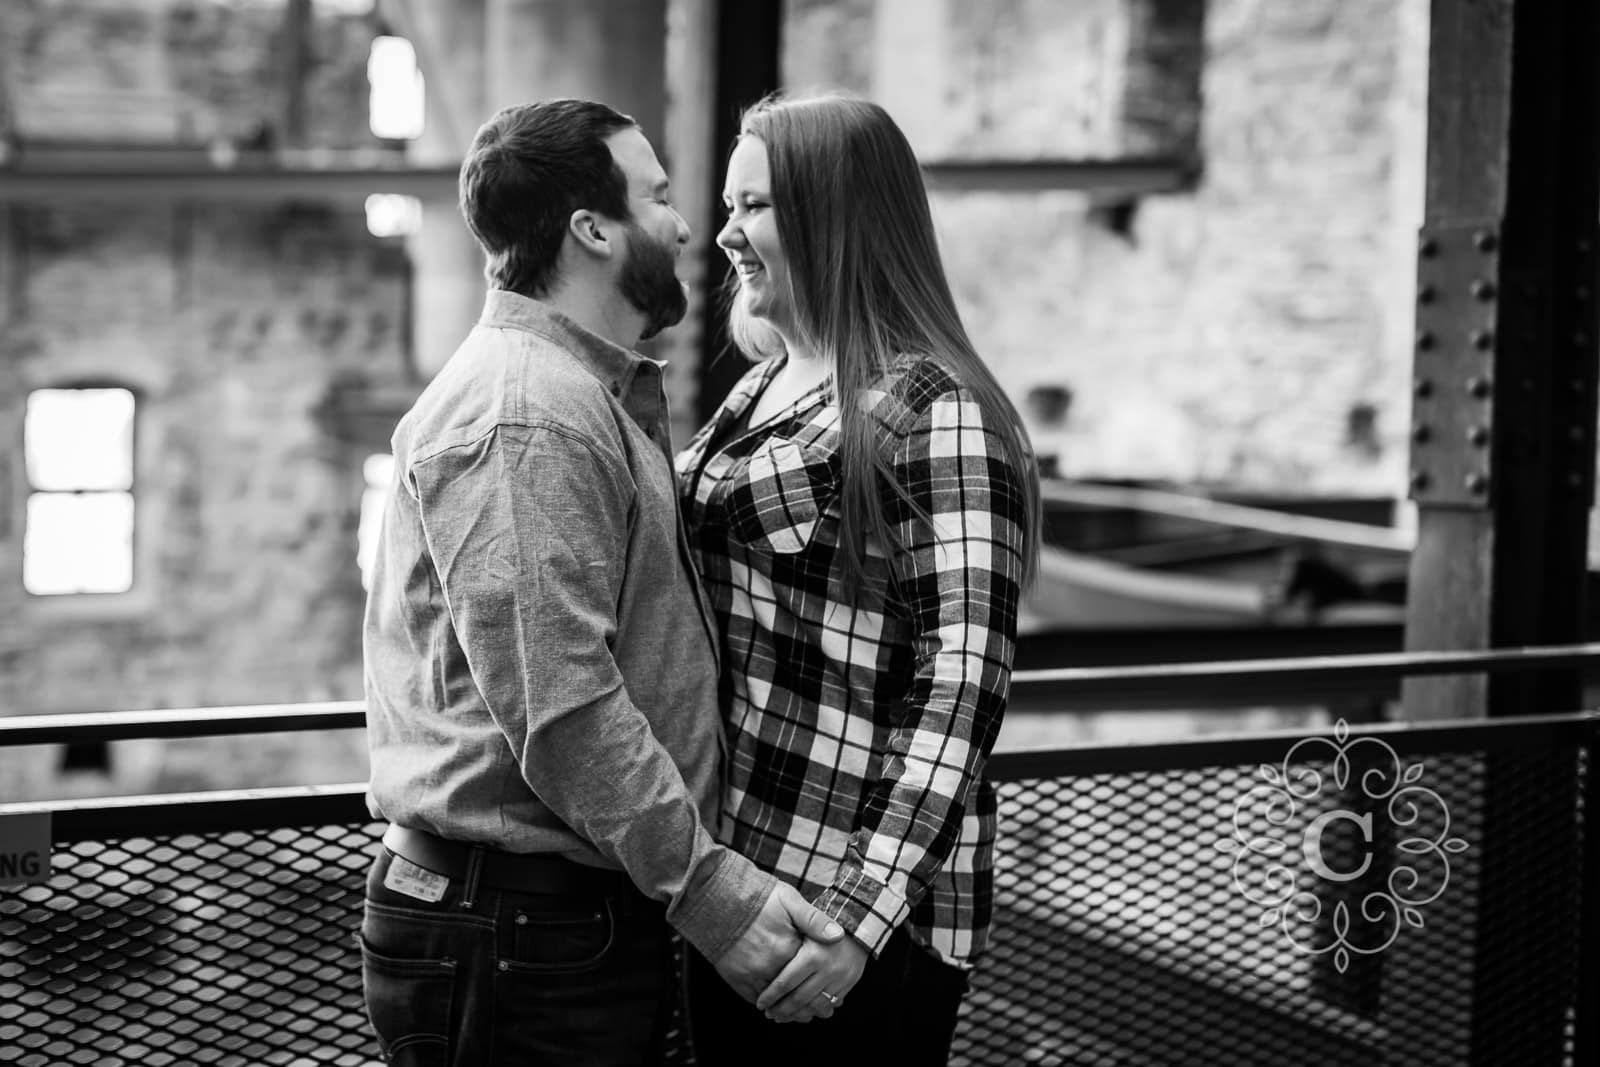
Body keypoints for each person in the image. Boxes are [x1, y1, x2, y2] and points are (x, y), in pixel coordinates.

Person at [358, 98, 843, 1067]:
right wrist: (715, 896)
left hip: (552, 924)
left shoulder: (568, 394)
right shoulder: (528, 414)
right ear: (592, 229)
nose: (683, 224)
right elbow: (563, 705)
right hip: (522, 935)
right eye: (659, 197)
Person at [676, 92, 1042, 1065]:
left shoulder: (934, 406)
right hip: (740, 887)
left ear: (832, 213)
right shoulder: (763, 382)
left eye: (753, 206)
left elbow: (959, 683)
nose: (726, 234)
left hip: (842, 916)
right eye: (727, 206)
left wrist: (857, 915)